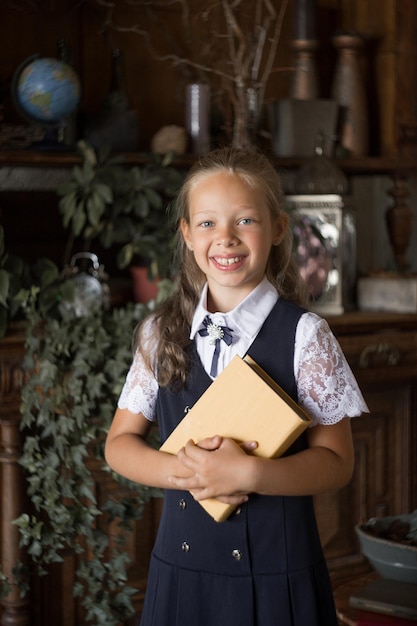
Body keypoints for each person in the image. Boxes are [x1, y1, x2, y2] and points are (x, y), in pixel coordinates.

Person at [105, 146, 369, 626]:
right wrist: (189, 475)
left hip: (278, 576)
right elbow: (119, 445)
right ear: (186, 233)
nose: (225, 238)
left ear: (278, 228)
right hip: (181, 575)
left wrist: (247, 475)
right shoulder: (157, 332)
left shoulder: (306, 336)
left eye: (245, 221)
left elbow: (337, 463)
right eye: (207, 223)